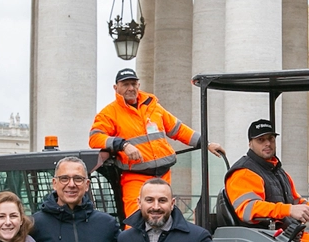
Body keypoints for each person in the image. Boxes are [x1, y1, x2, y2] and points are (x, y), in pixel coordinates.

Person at [89, 67, 225, 217]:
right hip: (135, 177)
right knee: (135, 222)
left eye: (134, 84)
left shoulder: (153, 107)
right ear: (116, 88)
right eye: (126, 84)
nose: (131, 88)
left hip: (163, 175)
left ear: (138, 85)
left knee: (165, 219)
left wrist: (206, 143)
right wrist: (123, 145)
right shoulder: (109, 113)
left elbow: (179, 130)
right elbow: (95, 138)